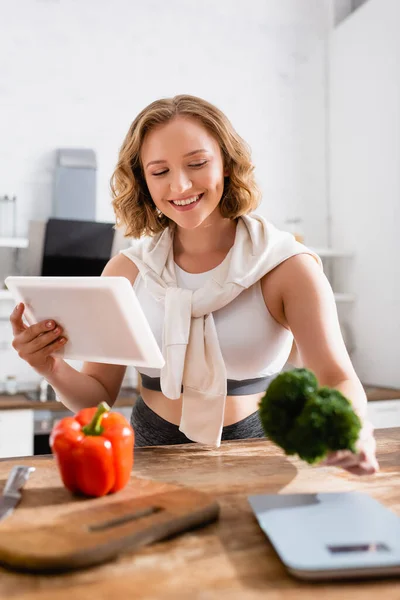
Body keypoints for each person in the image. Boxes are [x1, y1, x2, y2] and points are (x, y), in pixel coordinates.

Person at [10, 94, 378, 475]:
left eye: (197, 163)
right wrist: (52, 367)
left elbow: (337, 378)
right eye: (159, 171)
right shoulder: (127, 271)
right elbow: (98, 397)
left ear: (227, 165)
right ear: (143, 183)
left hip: (258, 447)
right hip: (149, 447)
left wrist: (350, 428)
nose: (180, 185)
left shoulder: (286, 267)